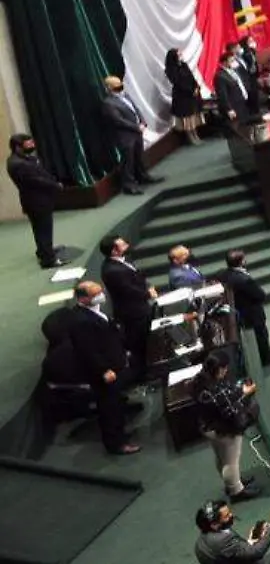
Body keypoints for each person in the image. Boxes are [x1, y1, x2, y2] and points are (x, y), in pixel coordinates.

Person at [53, 281, 139, 454]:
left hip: (115, 363)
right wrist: (104, 370)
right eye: (95, 294)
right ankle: (116, 444)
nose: (101, 296)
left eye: (100, 292)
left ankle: (121, 434)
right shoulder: (80, 321)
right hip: (103, 373)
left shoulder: (94, 311)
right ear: (83, 298)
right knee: (109, 409)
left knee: (116, 404)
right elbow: (87, 351)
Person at [194, 350, 259, 500]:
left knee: (221, 458)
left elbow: (224, 396)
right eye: (225, 368)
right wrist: (245, 395)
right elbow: (230, 411)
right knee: (231, 460)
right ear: (219, 368)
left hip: (207, 426)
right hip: (223, 430)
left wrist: (238, 391)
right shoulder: (215, 389)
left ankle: (233, 483)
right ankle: (236, 491)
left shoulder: (200, 380)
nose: (226, 371)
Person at [100, 234, 156, 386]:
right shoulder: (112, 270)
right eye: (122, 244)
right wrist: (147, 293)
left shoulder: (124, 260)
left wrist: (147, 285)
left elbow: (137, 276)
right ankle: (141, 376)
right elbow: (128, 290)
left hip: (140, 308)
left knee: (145, 341)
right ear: (114, 251)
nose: (126, 245)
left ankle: (147, 368)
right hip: (132, 314)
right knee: (138, 345)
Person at [8, 132, 68, 268]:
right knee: (43, 229)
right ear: (18, 146)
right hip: (36, 201)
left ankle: (44, 251)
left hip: (37, 200)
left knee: (41, 228)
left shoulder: (23, 159)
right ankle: (48, 260)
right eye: (28, 144)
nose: (32, 145)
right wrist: (55, 185)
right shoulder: (18, 164)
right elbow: (35, 181)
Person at [221, 250, 270, 366]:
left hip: (241, 311)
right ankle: (267, 358)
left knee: (256, 335)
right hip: (252, 312)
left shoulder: (225, 274)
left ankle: (264, 354)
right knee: (261, 334)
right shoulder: (244, 280)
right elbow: (260, 295)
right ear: (241, 262)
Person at [101, 76, 159, 195]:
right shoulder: (108, 103)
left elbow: (135, 109)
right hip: (125, 136)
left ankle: (143, 177)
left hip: (137, 132)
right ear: (109, 88)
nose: (120, 89)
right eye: (116, 87)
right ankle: (129, 184)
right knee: (128, 160)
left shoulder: (126, 96)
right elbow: (118, 120)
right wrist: (136, 127)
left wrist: (143, 121)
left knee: (138, 156)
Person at [194, 498, 270, 564]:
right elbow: (256, 553)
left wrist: (250, 541)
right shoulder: (223, 539)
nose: (231, 515)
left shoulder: (202, 539)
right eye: (227, 516)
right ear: (214, 524)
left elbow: (230, 553)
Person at [166, 49, 206, 144]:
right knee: (186, 118)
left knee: (193, 115)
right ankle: (191, 137)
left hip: (192, 95)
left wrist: (196, 87)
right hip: (182, 96)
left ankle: (196, 135)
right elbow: (178, 82)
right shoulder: (171, 69)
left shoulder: (184, 65)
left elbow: (191, 77)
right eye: (179, 54)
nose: (181, 55)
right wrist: (190, 90)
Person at [215, 51, 259, 130]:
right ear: (224, 62)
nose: (234, 62)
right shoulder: (220, 76)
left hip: (242, 103)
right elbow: (222, 95)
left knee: (247, 127)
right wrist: (229, 109)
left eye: (234, 60)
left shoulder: (234, 71)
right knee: (238, 129)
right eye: (231, 61)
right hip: (234, 107)